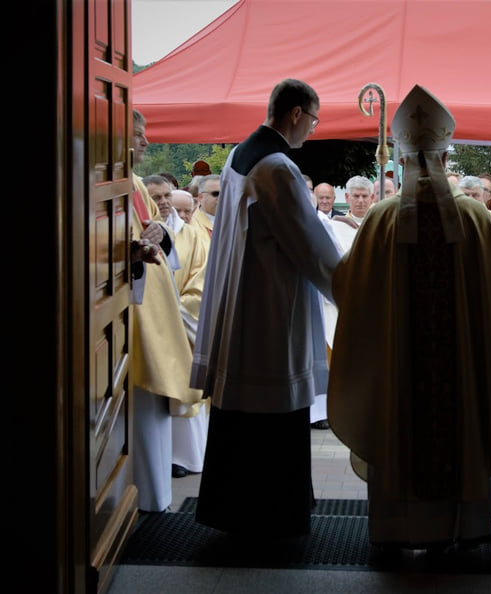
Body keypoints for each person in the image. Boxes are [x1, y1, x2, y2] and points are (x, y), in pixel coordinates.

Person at [327, 84, 491, 551]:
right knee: (459, 422)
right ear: (443, 154)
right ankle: (464, 526)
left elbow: (349, 289)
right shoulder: (476, 216)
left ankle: (399, 529)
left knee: (400, 423)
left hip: (399, 369)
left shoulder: (380, 217)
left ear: (402, 156)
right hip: (459, 371)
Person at [191, 78, 342, 541]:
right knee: (273, 410)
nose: (311, 131)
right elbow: (311, 246)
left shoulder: (241, 154)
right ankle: (273, 515)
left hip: (244, 302)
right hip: (271, 310)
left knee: (240, 413)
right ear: (295, 114)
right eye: (312, 120)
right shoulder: (278, 167)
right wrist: (356, 291)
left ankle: (234, 509)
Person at [130, 111, 203, 513]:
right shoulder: (103, 184)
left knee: (153, 417)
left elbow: (157, 233)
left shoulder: (136, 184)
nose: (145, 142)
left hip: (156, 312)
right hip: (131, 318)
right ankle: (141, 501)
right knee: (141, 414)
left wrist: (159, 236)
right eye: (137, 135)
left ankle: (154, 500)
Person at [142, 178, 211, 479]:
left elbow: (201, 278)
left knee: (186, 388)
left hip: (183, 324)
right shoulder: (142, 231)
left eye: (167, 195)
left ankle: (187, 456)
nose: (165, 202)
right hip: (153, 326)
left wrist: (177, 312)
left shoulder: (194, 236)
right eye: (156, 196)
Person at [193, 174, 220, 240]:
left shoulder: (235, 221)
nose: (221, 198)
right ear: (200, 197)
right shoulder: (191, 224)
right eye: (216, 194)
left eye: (224, 193)